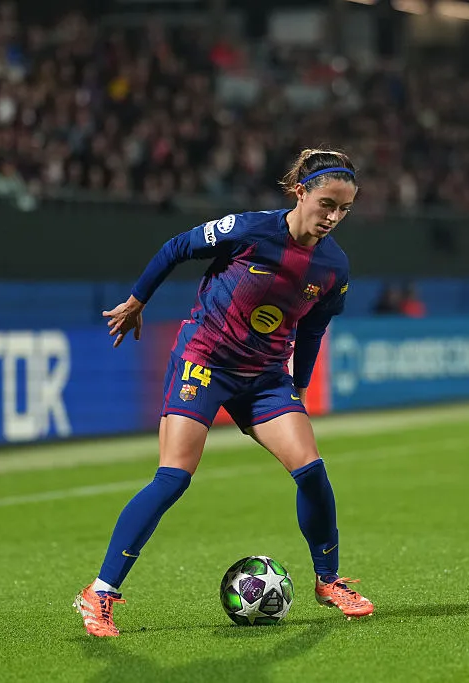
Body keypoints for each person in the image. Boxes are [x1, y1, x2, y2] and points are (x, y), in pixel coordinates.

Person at [74, 149, 374, 637]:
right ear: (300, 192)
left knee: (312, 471)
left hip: (266, 378)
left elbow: (315, 327)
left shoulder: (334, 266)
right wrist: (136, 301)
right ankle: (101, 592)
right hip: (204, 363)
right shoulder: (249, 229)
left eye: (344, 210)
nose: (333, 218)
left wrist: (297, 389)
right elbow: (177, 247)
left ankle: (328, 580)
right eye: (326, 204)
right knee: (173, 478)